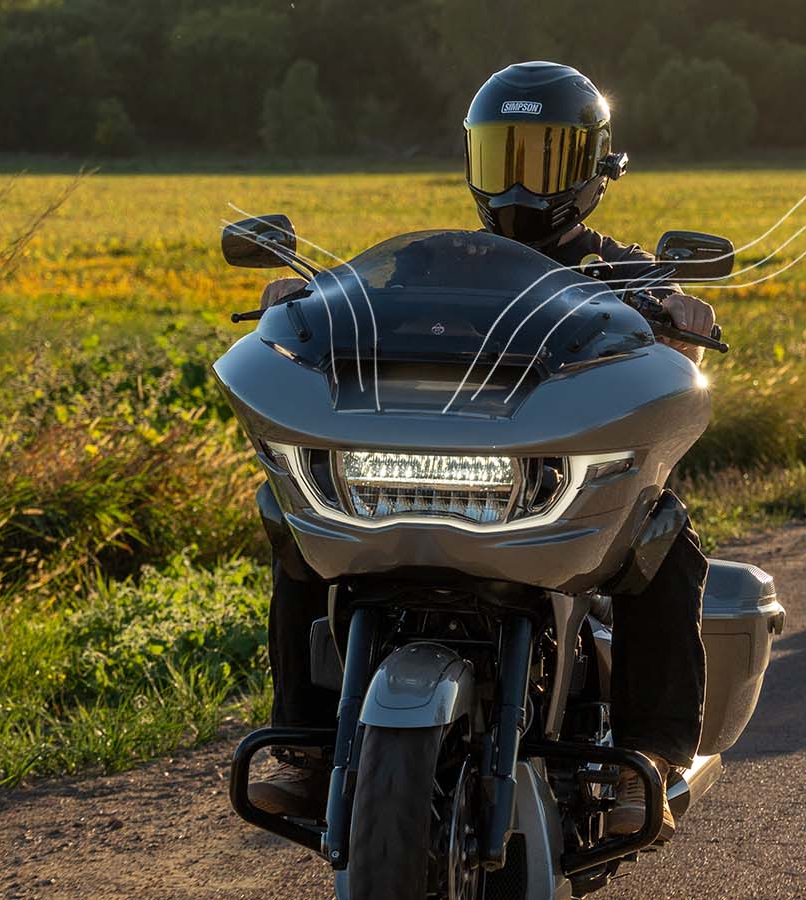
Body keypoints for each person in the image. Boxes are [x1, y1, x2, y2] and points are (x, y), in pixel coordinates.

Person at [245, 62, 712, 840]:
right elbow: (354, 305)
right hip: (441, 476)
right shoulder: (440, 265)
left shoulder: (631, 275)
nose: (521, 183)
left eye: (546, 157)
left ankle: (651, 756)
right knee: (292, 523)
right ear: (474, 159)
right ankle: (303, 745)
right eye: (503, 155)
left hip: (546, 483)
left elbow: (672, 358)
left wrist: (681, 315)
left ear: (596, 166)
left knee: (665, 536)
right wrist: (300, 303)